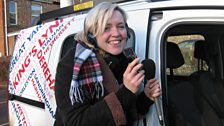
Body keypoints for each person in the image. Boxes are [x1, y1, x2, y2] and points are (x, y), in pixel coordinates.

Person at [54, 2, 161, 126]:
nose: (116, 33)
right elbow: (76, 122)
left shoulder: (123, 60)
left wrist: (146, 98)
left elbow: (124, 114)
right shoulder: (72, 65)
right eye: (106, 28)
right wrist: (126, 92)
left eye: (120, 26)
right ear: (91, 34)